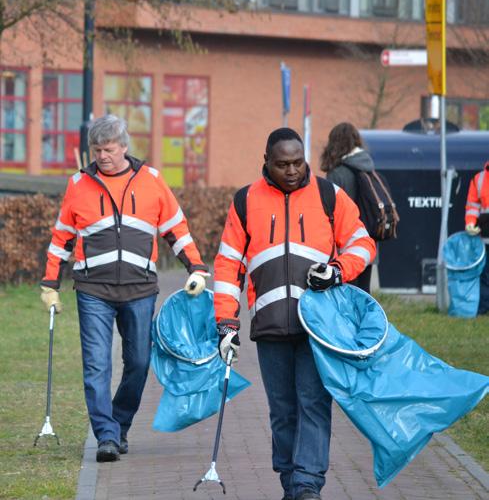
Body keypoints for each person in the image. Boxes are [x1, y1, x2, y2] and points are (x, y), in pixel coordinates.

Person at [213, 128, 376, 500]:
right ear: (266, 162)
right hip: (269, 325)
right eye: (282, 164)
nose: (291, 170)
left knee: (314, 403)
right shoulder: (245, 201)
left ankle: (307, 484)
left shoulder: (328, 195)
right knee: (283, 411)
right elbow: (227, 266)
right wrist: (226, 323)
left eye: (297, 162)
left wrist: (337, 270)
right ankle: (290, 479)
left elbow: (363, 243)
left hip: (318, 325)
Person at [40, 114, 209, 462]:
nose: (102, 156)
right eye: (97, 149)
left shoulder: (152, 181)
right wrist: (50, 284)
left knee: (138, 361)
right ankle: (106, 436)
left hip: (140, 289)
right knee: (96, 365)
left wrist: (196, 267)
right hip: (92, 290)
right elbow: (62, 239)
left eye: (109, 149)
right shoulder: (78, 185)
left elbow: (176, 229)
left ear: (124, 147)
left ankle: (120, 423)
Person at [320, 121, 377, 293]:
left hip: (345, 249)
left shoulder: (336, 174)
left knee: (345, 298)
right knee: (363, 296)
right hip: (368, 244)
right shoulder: (368, 167)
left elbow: (328, 211)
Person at [465, 160, 489, 314]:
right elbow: (473, 206)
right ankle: (484, 309)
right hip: (485, 238)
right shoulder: (479, 179)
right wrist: (470, 223)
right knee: (485, 275)